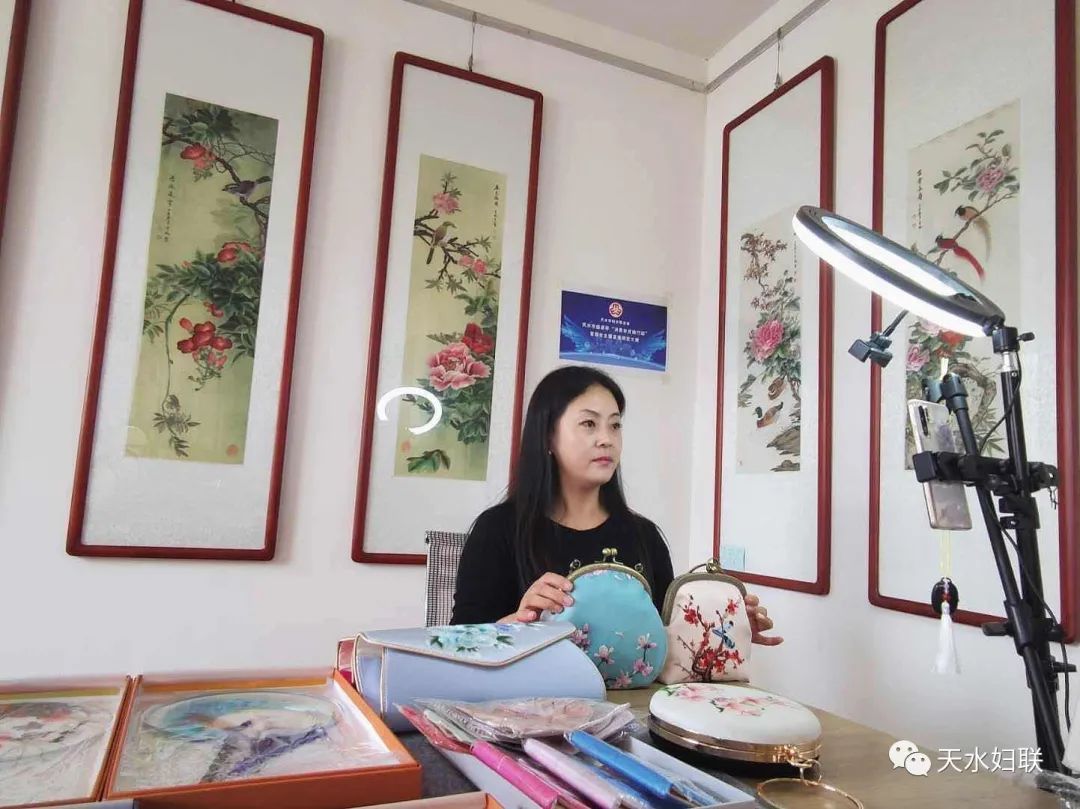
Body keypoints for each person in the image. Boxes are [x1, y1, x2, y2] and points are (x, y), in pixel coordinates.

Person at [450, 365, 782, 647]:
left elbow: (668, 641)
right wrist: (518, 623)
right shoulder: (499, 530)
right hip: (528, 702)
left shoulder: (644, 536)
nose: (606, 439)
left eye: (615, 425)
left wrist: (727, 630)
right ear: (548, 436)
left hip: (634, 703)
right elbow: (459, 644)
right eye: (589, 424)